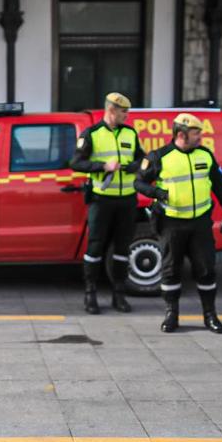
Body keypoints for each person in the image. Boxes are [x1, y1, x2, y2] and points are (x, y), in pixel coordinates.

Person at [135, 112, 222, 334]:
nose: (200, 136)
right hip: (171, 223)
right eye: (196, 132)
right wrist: (157, 192)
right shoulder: (159, 157)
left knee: (206, 269)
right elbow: (139, 183)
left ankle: (210, 315)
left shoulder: (206, 155)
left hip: (200, 223)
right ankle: (172, 315)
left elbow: (219, 185)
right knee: (171, 270)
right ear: (181, 134)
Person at [69, 92, 145, 314]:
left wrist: (134, 166)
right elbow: (76, 162)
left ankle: (118, 295)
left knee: (122, 249)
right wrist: (103, 166)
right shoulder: (92, 134)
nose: (127, 116)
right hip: (101, 200)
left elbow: (143, 158)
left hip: (127, 200)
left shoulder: (130, 134)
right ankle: (90, 294)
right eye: (124, 112)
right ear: (111, 111)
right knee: (95, 247)